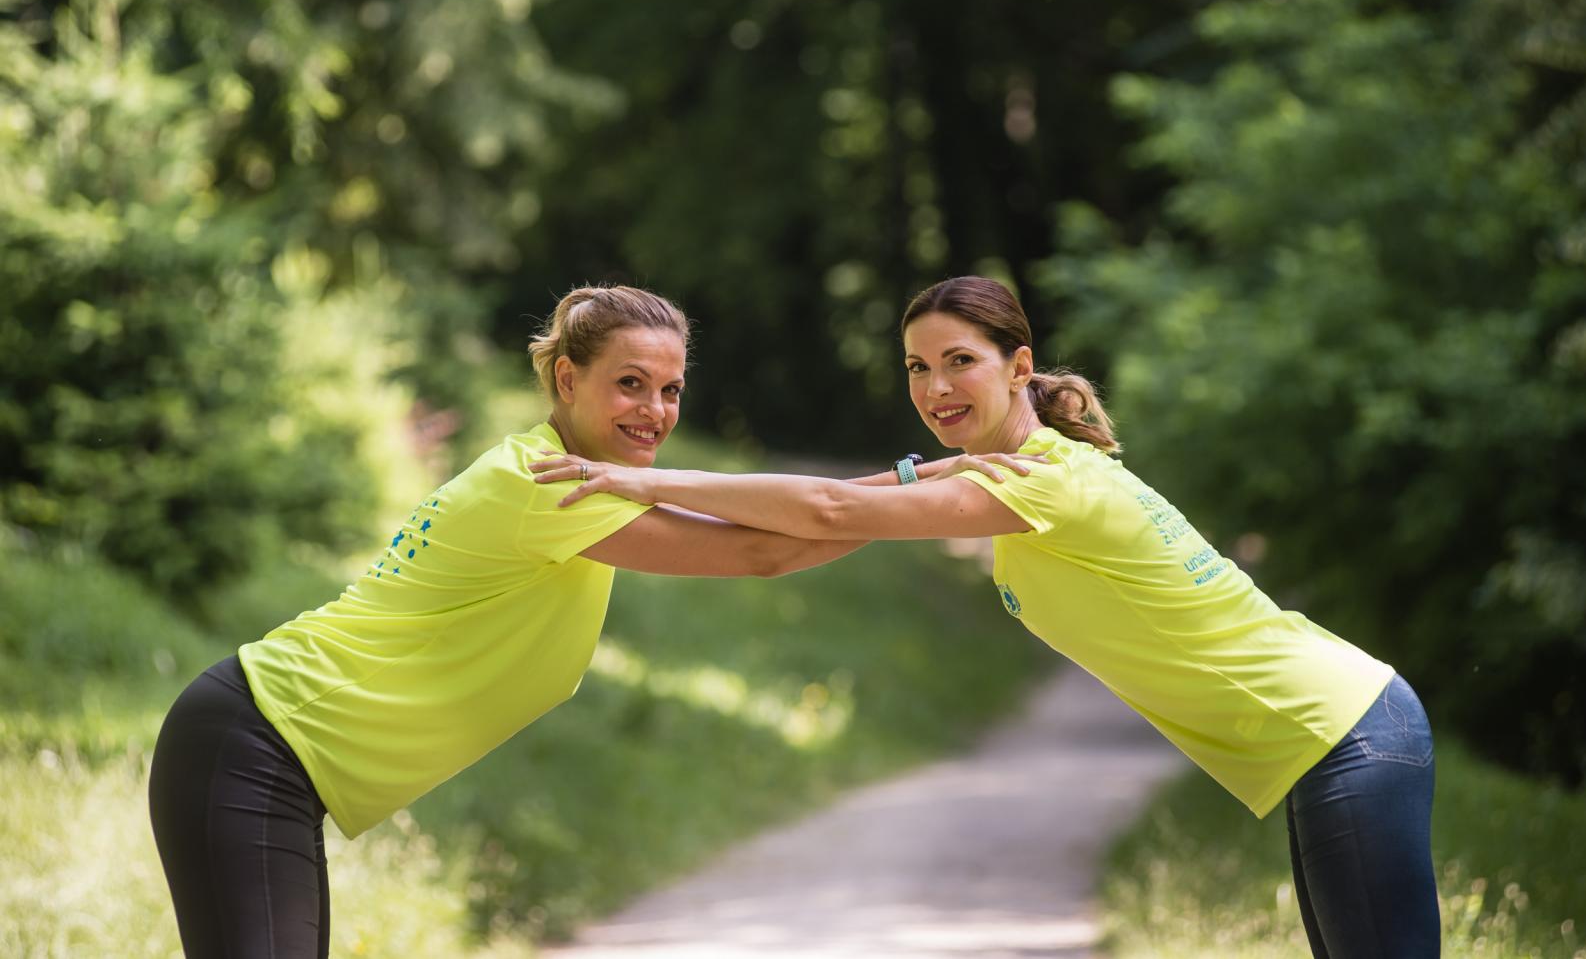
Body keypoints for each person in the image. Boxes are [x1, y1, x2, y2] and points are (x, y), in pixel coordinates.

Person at [533, 275, 1440, 959]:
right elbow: (833, 501)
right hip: (1331, 739)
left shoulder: (1042, 482)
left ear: (1020, 368)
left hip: (1343, 733)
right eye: (918, 368)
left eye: (959, 361)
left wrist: (649, 477)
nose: (935, 388)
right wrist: (661, 511)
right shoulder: (996, 471)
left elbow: (834, 515)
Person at [148, 283, 1016, 957]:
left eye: (670, 389)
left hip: (264, 754)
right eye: (628, 384)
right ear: (568, 378)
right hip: (256, 746)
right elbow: (765, 551)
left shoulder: (570, 475)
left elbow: (768, 527)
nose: (654, 412)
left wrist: (920, 482)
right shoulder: (547, 486)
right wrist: (932, 486)